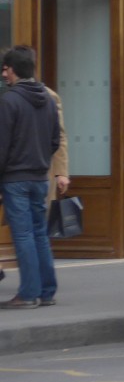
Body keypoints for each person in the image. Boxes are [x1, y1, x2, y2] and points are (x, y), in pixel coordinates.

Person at [0, 45, 61, 308]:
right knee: (39, 234)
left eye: (5, 69)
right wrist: (41, 161)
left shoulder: (9, 101)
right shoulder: (47, 99)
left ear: (13, 70)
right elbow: (55, 140)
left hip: (15, 178)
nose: (3, 74)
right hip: (40, 177)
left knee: (23, 235)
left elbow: (2, 145)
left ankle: (27, 293)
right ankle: (46, 291)